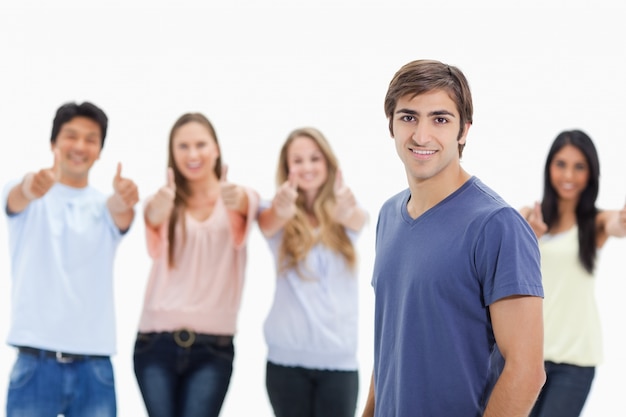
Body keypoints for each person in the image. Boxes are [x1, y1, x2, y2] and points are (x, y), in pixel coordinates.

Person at [361, 59, 546, 417]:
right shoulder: (388, 215)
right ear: (391, 126)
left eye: (440, 119)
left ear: (464, 131)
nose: (421, 135)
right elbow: (391, 347)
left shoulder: (498, 226)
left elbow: (526, 372)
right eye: (408, 117)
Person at [2, 101, 139, 416]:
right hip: (35, 364)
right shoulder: (29, 197)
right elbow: (18, 196)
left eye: (91, 139)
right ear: (54, 143)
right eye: (71, 136)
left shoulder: (104, 207)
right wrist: (31, 185)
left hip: (94, 367)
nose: (80, 146)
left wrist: (123, 199)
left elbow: (121, 213)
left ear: (100, 150)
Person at [132, 112, 260, 417]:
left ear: (216, 149)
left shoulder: (239, 199)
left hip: (213, 349)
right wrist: (156, 209)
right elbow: (151, 216)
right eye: (183, 146)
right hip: (154, 344)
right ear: (172, 153)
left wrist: (236, 198)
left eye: (201, 144)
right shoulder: (161, 201)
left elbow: (248, 205)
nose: (192, 154)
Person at [257, 127, 367, 417]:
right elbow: (267, 223)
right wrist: (282, 210)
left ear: (328, 163)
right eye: (298, 160)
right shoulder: (274, 214)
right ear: (287, 168)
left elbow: (358, 220)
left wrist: (344, 211)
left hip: (339, 362)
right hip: (286, 362)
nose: (307, 167)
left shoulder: (347, 212)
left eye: (314, 158)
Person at [520, 130, 626, 417]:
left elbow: (618, 223)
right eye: (561, 164)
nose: (569, 175)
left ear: (591, 174)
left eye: (579, 167)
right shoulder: (530, 217)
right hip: (528, 359)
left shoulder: (596, 223)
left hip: (575, 362)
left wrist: (623, 219)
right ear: (549, 167)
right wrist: (529, 237)